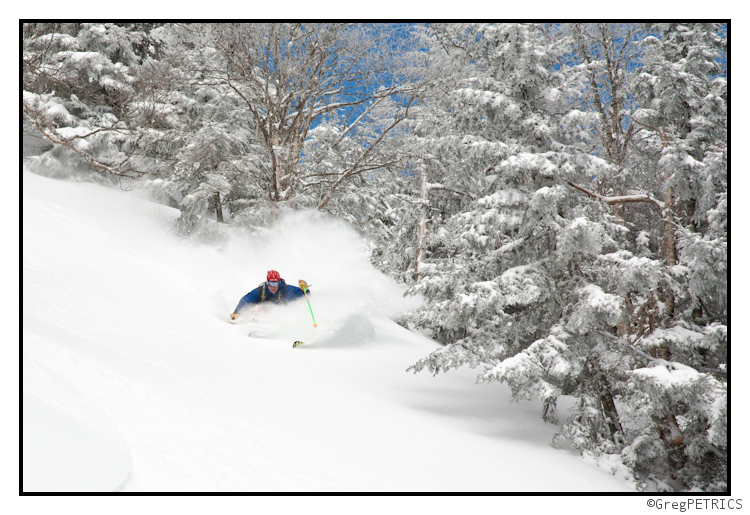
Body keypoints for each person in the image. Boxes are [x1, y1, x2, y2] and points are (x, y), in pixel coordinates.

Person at [230, 270, 310, 320]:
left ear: (279, 283)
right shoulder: (261, 291)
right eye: (271, 283)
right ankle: (255, 327)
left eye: (275, 284)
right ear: (267, 283)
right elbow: (246, 300)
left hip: (282, 315)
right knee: (258, 311)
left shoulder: (286, 289)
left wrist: (305, 289)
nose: (273, 287)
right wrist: (236, 312)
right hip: (264, 315)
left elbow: (305, 297)